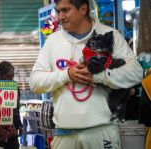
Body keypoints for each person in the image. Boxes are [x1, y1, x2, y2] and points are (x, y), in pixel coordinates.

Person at [29, 0, 143, 149]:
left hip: (101, 131)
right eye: (58, 11)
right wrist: (66, 75)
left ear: (83, 8)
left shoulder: (109, 35)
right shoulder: (53, 41)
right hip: (64, 134)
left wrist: (100, 77)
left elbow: (136, 73)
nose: (60, 16)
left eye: (65, 10)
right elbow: (35, 82)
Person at [0, 61, 23, 149]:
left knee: (15, 146)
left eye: (12, 76)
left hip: (10, 129)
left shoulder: (14, 87)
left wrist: (19, 125)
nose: (10, 80)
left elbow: (16, 108)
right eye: (8, 76)